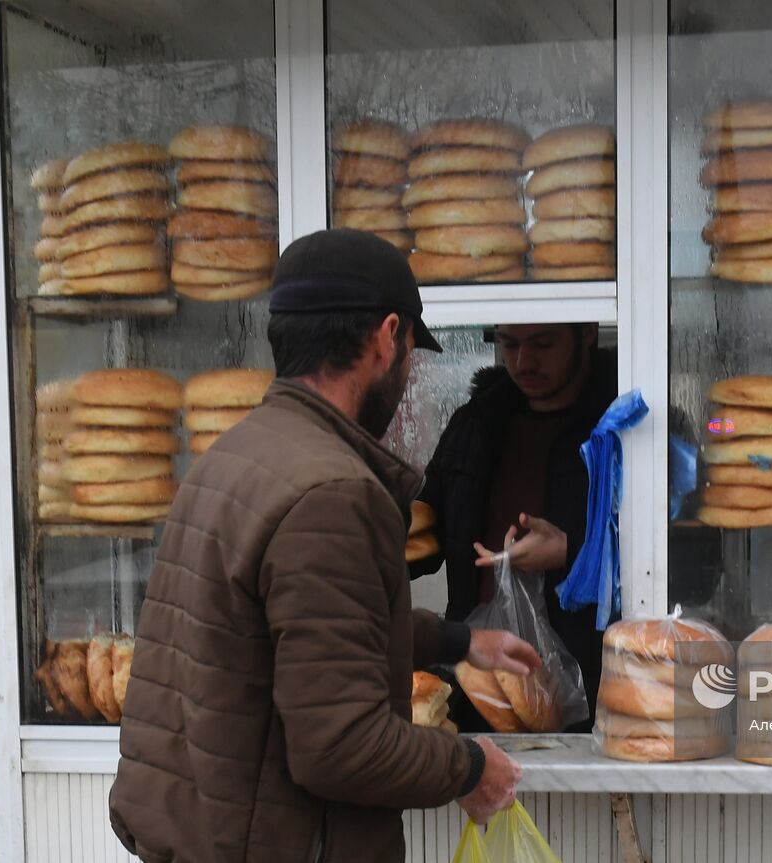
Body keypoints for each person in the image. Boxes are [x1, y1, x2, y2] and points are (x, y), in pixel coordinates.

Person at [109, 229, 537, 862]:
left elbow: (300, 628)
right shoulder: (332, 493)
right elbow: (340, 746)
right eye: (413, 350)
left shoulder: (236, 454)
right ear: (386, 338)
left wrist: (460, 642)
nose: (410, 369)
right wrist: (471, 766)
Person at [418, 322, 616, 731]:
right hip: (475, 685)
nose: (524, 361)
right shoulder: (474, 425)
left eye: (543, 343)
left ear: (588, 334)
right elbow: (425, 536)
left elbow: (692, 562)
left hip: (592, 694)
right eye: (509, 344)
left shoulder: (626, 425)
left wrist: (572, 551)